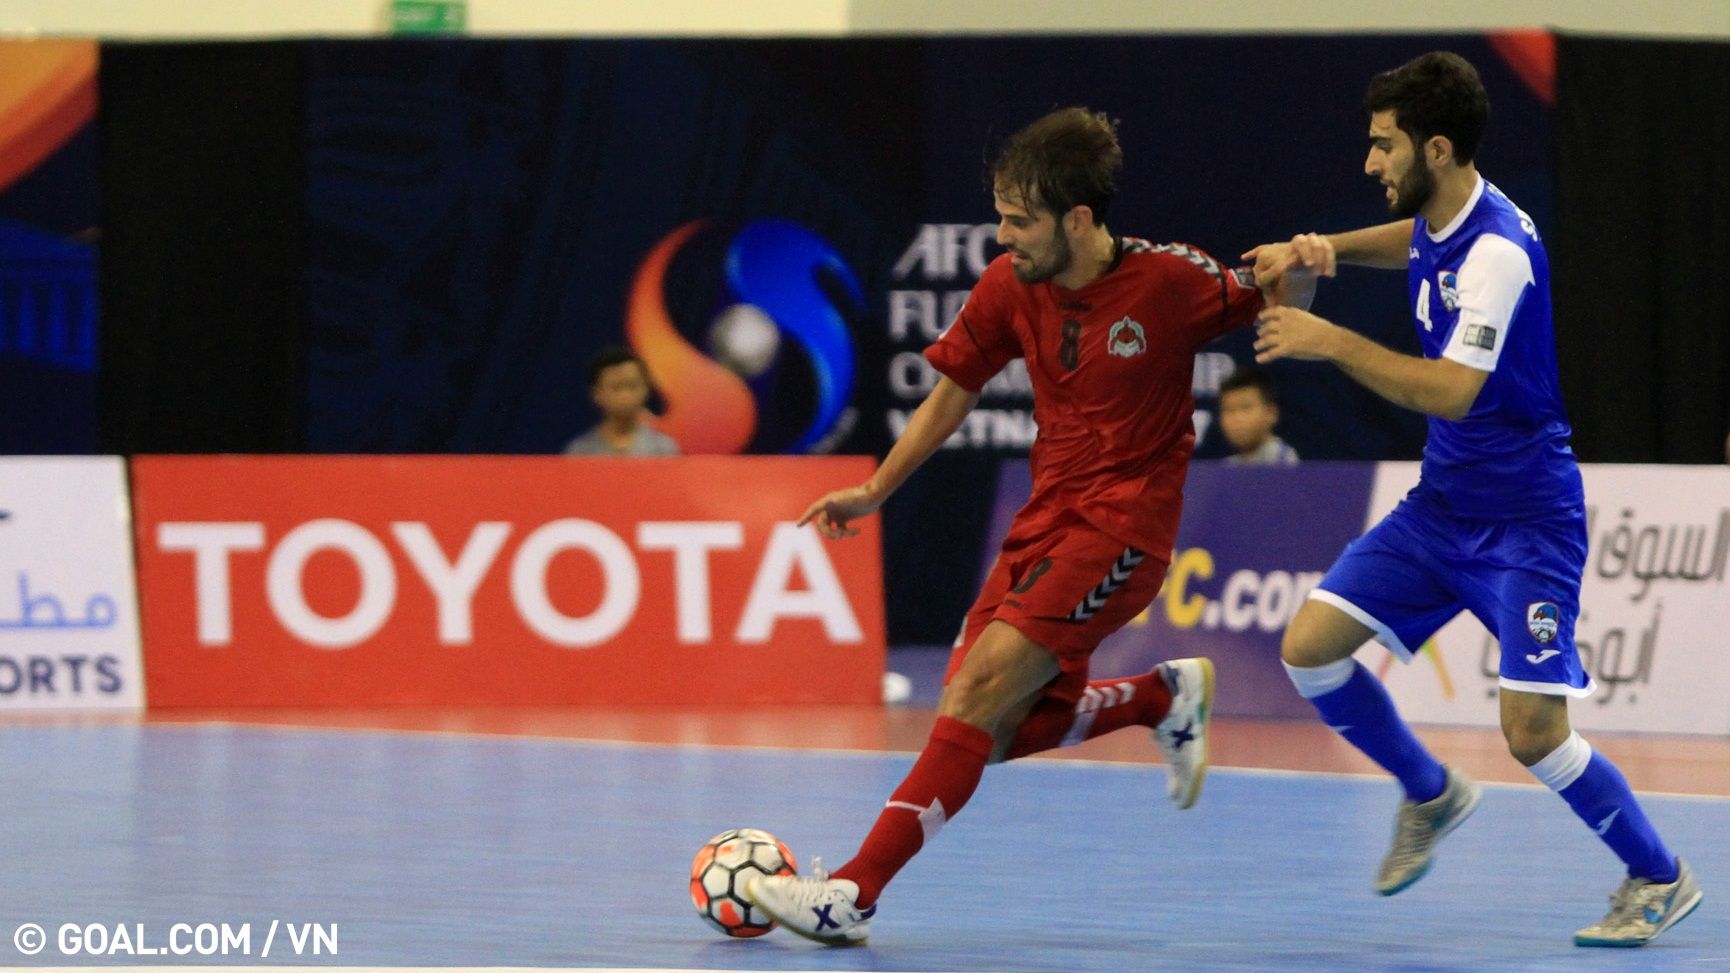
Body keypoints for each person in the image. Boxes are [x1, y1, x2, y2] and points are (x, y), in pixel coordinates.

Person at [746, 107, 1313, 945]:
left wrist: (1298, 270)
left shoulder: (1169, 281)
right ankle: (1159, 695)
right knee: (993, 732)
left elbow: (1276, 306)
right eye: (1001, 213)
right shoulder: (1011, 283)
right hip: (1041, 525)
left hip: (1125, 530)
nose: (1002, 233)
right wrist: (875, 488)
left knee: (976, 696)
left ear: (1077, 220)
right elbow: (954, 389)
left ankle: (851, 896)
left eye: (1019, 219)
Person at [1248, 51, 1699, 947]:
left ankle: (1659, 875)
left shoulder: (1497, 248)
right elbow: (1414, 245)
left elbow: (1453, 389)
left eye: (1385, 146)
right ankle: (1431, 790)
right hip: (1442, 507)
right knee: (1309, 649)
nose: (1370, 163)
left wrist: (1326, 338)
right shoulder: (1445, 216)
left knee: (1533, 730)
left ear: (1438, 147)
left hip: (1527, 520)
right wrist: (1326, 250)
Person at [562, 346, 680, 456]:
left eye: (632, 386)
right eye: (616, 387)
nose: (625, 395)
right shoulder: (580, 452)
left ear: (646, 389)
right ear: (596, 393)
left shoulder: (663, 450)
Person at [1217, 365, 1299, 464]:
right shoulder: (1228, 466)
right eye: (1228, 409)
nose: (1236, 418)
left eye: (1245, 407)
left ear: (1271, 413)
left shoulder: (1283, 462)